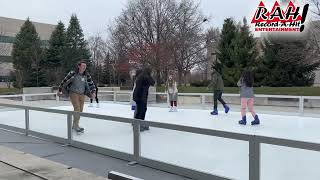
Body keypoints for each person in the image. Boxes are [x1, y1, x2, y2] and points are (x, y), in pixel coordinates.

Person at [58, 60, 96, 133]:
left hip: (82, 93)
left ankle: (74, 125)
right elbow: (64, 81)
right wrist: (60, 89)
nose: (84, 67)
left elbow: (91, 83)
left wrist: (93, 91)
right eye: (83, 66)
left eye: (85, 66)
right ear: (79, 66)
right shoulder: (73, 73)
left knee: (80, 110)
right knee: (77, 108)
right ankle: (76, 126)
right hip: (73, 93)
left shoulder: (86, 75)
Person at [133, 67, 155, 131]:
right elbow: (153, 82)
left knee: (140, 110)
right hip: (141, 97)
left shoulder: (141, 76)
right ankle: (139, 125)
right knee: (141, 111)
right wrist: (150, 76)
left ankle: (138, 124)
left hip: (139, 96)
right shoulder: (145, 77)